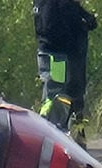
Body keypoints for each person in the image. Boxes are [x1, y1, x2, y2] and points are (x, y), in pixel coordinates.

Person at [32, 0, 97, 131]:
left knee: (50, 88)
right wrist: (85, 22)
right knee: (58, 92)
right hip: (60, 54)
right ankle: (56, 128)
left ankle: (46, 123)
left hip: (44, 50)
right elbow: (87, 21)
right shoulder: (66, 5)